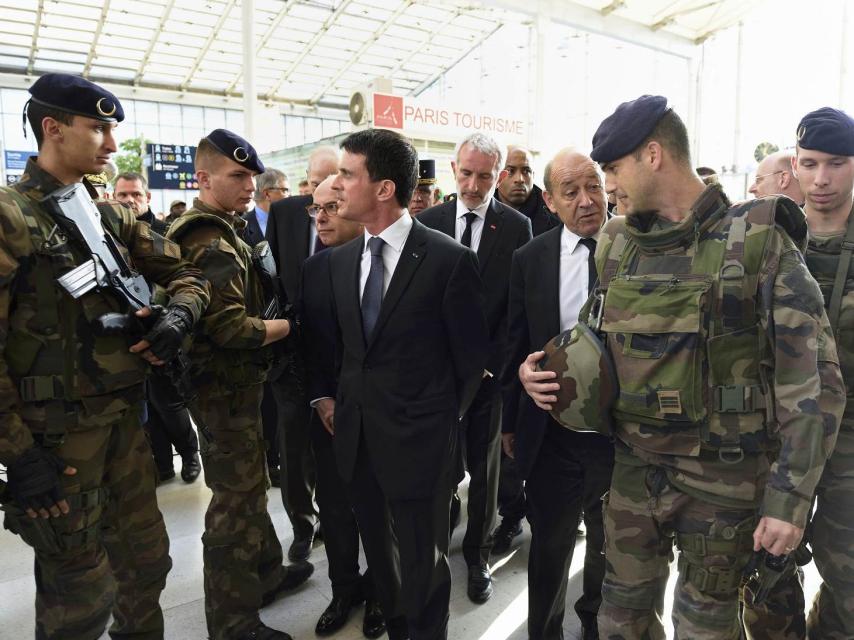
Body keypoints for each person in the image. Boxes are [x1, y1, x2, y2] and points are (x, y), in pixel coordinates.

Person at [519, 95, 844, 639]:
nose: (608, 187)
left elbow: (812, 381)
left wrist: (789, 501)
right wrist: (546, 373)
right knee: (618, 620)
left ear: (652, 155)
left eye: (613, 169)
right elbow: (596, 340)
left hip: (725, 487)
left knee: (705, 628)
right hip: (631, 476)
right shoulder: (615, 245)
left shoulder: (758, 241)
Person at [0, 73, 210, 639]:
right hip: (58, 446)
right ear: (53, 128)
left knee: (147, 565)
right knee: (79, 596)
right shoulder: (11, 217)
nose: (112, 146)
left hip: (124, 427)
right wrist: (18, 457)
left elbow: (188, 275)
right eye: (98, 130)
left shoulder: (107, 216)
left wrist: (176, 316)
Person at [329, 128, 489, 640]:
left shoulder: (447, 260)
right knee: (382, 563)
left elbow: (470, 363)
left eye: (347, 174)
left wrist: (434, 422)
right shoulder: (341, 261)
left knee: (424, 566)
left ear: (382, 189)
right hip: (358, 441)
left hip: (421, 446)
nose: (336, 186)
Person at [166, 129, 312, 640]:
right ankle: (232, 623)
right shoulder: (207, 237)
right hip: (222, 391)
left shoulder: (227, 227)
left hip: (234, 389)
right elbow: (230, 328)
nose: (249, 184)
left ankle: (268, 574)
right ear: (203, 178)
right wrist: (291, 327)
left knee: (250, 484)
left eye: (251, 175)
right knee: (235, 504)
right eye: (237, 175)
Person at [743, 108, 854, 640]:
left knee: (848, 583)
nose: (822, 179)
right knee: (764, 580)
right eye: (809, 164)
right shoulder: (765, 239)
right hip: (772, 440)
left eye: (837, 163)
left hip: (849, 447)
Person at [502, 148, 614, 640]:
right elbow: (515, 343)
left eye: (595, 187)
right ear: (549, 201)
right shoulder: (530, 259)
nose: (587, 201)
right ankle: (545, 631)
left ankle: (596, 623)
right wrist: (516, 400)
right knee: (550, 546)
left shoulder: (637, 246)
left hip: (622, 432)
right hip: (553, 430)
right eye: (571, 192)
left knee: (611, 545)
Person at [418, 132, 532, 604]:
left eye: (484, 176)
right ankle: (435, 545)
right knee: (441, 468)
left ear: (499, 176)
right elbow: (420, 304)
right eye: (465, 173)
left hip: (489, 378)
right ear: (453, 168)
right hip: (438, 377)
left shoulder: (517, 227)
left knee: (486, 474)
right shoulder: (428, 222)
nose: (472, 184)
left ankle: (479, 556)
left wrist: (490, 367)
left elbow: (515, 310)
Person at [300, 176, 385, 639]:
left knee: (377, 509)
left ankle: (378, 593)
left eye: (332, 206)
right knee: (333, 509)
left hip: (378, 418)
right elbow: (309, 348)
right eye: (316, 209)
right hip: (327, 416)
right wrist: (321, 399)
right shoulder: (314, 268)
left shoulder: (386, 267)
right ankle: (343, 589)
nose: (323, 217)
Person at [265, 145, 339, 561]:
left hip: (335, 358)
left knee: (330, 444)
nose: (321, 199)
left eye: (332, 187)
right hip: (291, 353)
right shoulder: (285, 213)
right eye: (313, 184)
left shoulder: (353, 217)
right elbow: (274, 277)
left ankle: (333, 518)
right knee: (292, 448)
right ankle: (301, 524)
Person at [114, 171, 202, 483]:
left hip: (165, 329)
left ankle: (190, 455)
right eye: (123, 195)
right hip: (128, 336)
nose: (129, 200)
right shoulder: (109, 234)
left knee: (170, 403)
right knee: (147, 407)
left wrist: (167, 314)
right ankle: (162, 464)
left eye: (135, 194)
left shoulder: (165, 232)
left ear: (147, 197)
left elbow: (184, 277)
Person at [243, 167, 290, 487]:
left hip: (283, 327)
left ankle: (276, 460)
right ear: (270, 192)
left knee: (276, 403)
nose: (288, 196)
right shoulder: (241, 226)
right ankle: (266, 459)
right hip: (251, 327)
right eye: (284, 190)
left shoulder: (290, 223)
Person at [495, 145, 561, 237]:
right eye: (510, 171)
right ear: (498, 175)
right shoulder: (482, 207)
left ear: (533, 176)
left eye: (526, 171)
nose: (519, 179)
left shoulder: (554, 215)